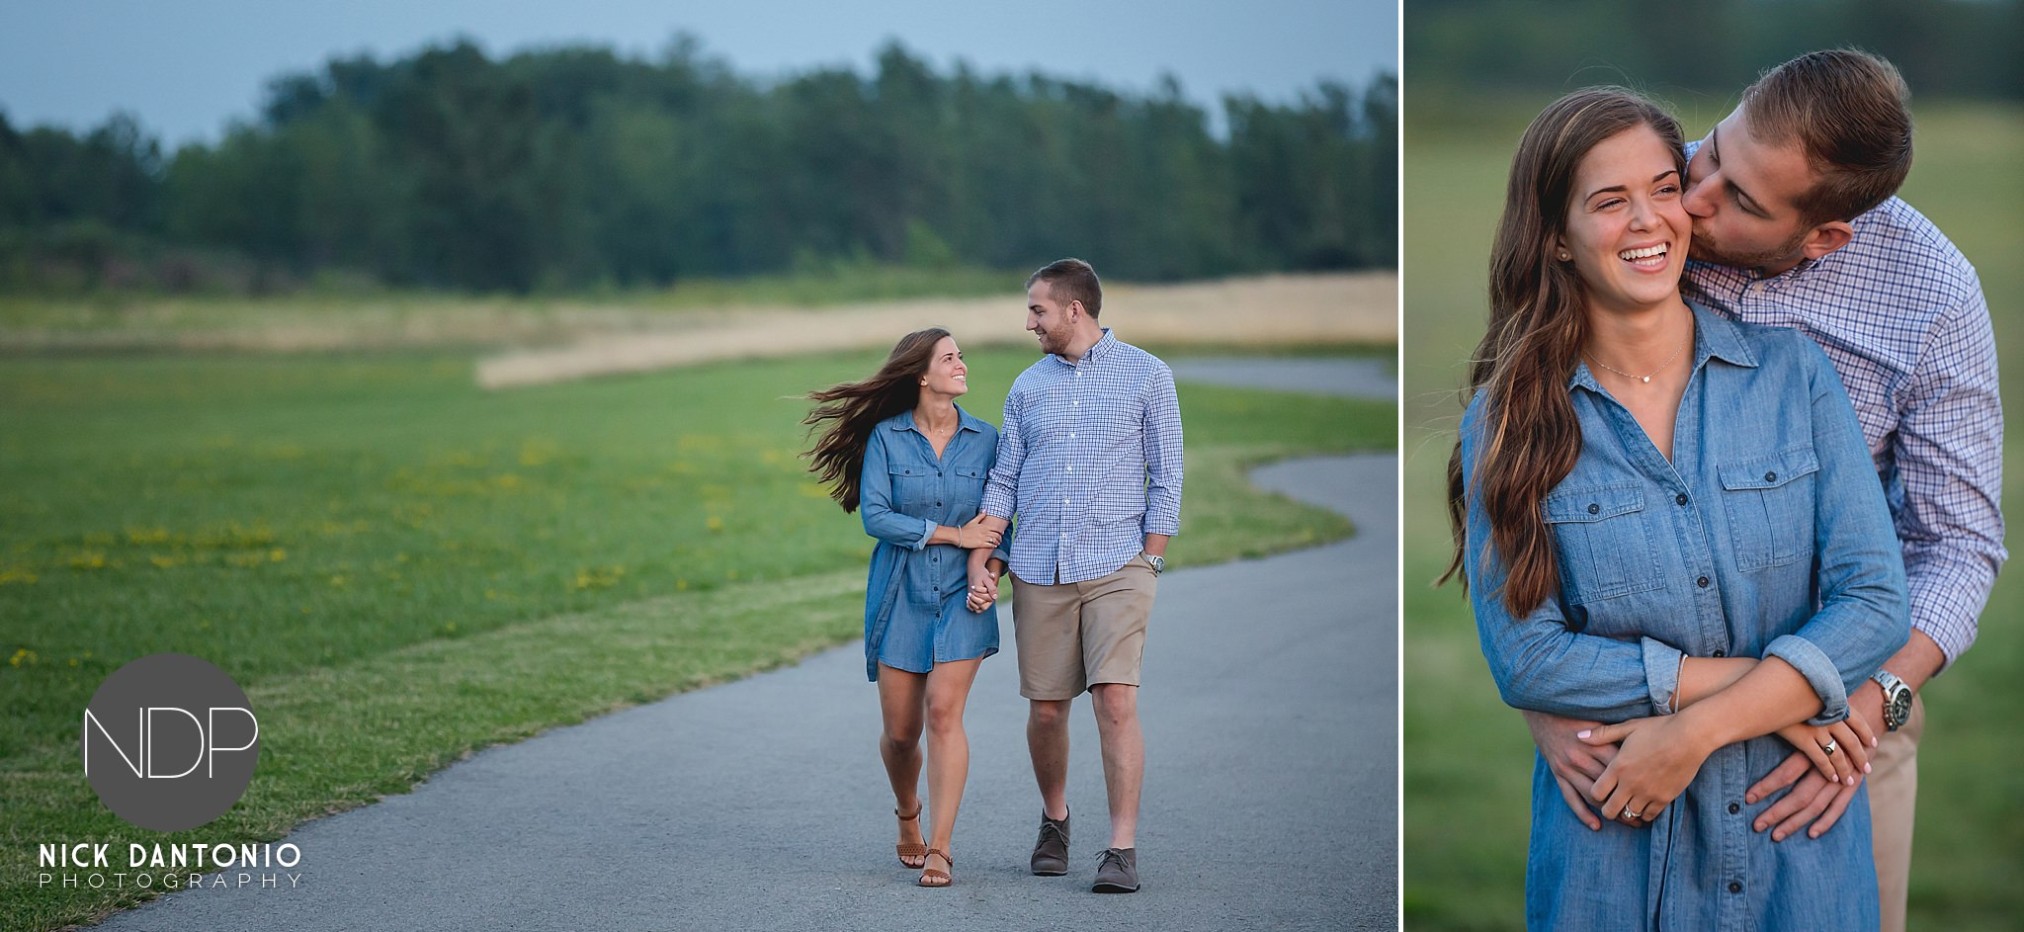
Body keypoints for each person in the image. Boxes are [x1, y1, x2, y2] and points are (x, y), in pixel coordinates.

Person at [1516, 51, 2005, 932]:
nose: (1692, 202)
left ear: (1823, 237)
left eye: (1740, 202)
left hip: (1836, 732)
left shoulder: (1932, 295)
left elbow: (1959, 545)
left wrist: (1865, 708)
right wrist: (1545, 701)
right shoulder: (1654, 196)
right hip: (1626, 718)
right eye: (1713, 156)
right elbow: (1530, 453)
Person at [1444, 87, 1910, 929]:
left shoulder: (1795, 378)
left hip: (1797, 849)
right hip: (1615, 856)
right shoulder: (1511, 422)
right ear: (1556, 236)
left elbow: (1876, 599)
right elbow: (1528, 659)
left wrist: (1692, 730)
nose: (1651, 220)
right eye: (1609, 201)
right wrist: (1780, 690)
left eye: (1664, 187)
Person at [971, 257, 1182, 894]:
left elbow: (1166, 473)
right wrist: (987, 553)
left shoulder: (1147, 375)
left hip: (1120, 563)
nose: (1028, 321)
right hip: (1038, 566)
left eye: (1037, 309)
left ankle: (1121, 849)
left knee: (1116, 700)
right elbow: (1005, 478)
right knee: (1046, 711)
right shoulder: (1027, 387)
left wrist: (1151, 556)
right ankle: (1056, 820)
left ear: (1074, 309)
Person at [803, 327, 1009, 888]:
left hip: (962, 600)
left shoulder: (987, 440)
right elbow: (876, 517)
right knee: (901, 734)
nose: (962, 364)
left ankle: (941, 848)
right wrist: (952, 535)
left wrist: (990, 571)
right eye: (950, 357)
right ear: (922, 375)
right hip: (899, 593)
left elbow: (1000, 520)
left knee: (944, 714)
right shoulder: (887, 440)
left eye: (961, 355)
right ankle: (908, 814)